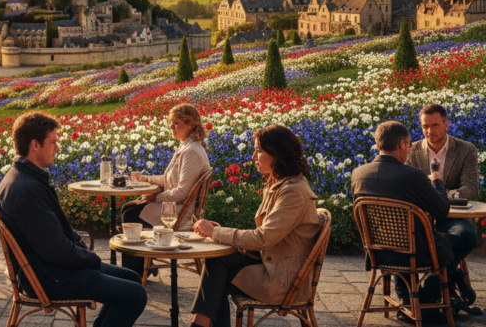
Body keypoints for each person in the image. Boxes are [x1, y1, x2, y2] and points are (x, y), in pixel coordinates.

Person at [0, 111, 148, 327]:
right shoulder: (28, 188)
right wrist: (90, 259)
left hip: (50, 268)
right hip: (51, 277)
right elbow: (56, 251)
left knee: (131, 278)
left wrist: (83, 254)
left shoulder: (19, 177)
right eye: (53, 142)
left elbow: (53, 240)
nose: (57, 148)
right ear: (35, 145)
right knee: (136, 296)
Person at [189, 125, 322, 327]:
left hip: (283, 279)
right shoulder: (280, 183)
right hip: (273, 262)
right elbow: (267, 236)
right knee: (217, 260)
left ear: (278, 154)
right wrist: (219, 233)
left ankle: (199, 324)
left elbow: (263, 238)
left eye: (259, 150)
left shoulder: (293, 192)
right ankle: (201, 323)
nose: (253, 157)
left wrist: (215, 231)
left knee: (216, 277)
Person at [351, 120, 470, 320]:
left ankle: (408, 301)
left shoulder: (359, 174)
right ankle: (427, 301)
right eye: (408, 145)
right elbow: (442, 209)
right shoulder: (412, 176)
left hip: (378, 250)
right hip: (414, 251)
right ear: (402, 145)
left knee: (413, 237)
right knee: (465, 237)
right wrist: (437, 180)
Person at [121, 103, 211, 277]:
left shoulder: (191, 152)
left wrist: (156, 197)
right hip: (175, 204)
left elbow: (182, 192)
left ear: (190, 124)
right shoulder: (187, 146)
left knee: (131, 212)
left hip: (179, 211)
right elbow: (170, 179)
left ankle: (135, 273)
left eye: (176, 123)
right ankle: (142, 264)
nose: (171, 127)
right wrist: (146, 179)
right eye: (171, 123)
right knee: (129, 208)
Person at [406, 104, 479, 305]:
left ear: (446, 124)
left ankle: (428, 293)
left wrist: (446, 195)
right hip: (423, 216)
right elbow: (407, 186)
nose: (430, 131)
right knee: (413, 239)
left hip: (453, 214)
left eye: (435, 125)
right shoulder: (412, 150)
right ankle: (454, 276)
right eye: (425, 126)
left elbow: (471, 186)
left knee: (466, 236)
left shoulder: (466, 149)